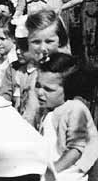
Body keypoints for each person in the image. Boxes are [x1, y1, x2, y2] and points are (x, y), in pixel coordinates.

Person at [37, 53, 98, 181]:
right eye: (38, 86)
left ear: (68, 89)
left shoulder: (75, 109)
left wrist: (52, 170)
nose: (40, 93)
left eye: (48, 89)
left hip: (72, 169)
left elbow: (75, 150)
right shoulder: (48, 109)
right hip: (53, 165)